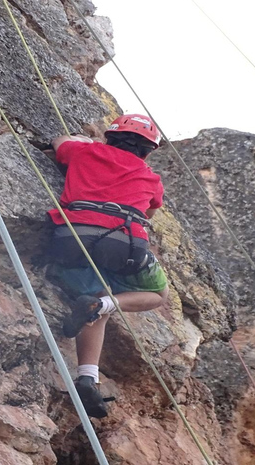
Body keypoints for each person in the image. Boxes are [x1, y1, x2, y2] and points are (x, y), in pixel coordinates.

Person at [46, 114, 169, 418]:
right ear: (149, 151)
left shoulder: (85, 152)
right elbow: (152, 210)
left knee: (95, 298)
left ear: (109, 136)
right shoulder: (149, 176)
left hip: (73, 238)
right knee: (157, 292)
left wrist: (86, 142)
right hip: (124, 245)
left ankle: (89, 377)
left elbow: (59, 142)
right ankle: (105, 307)